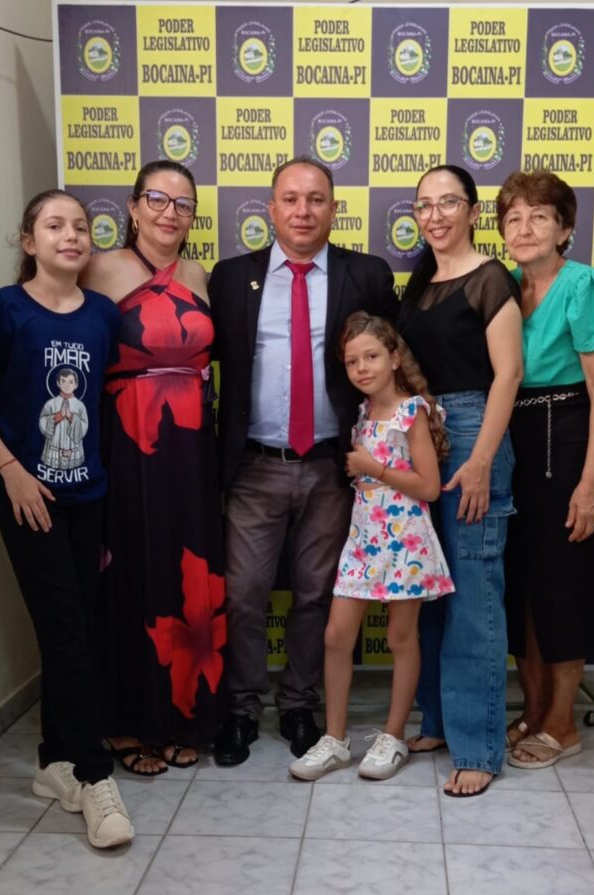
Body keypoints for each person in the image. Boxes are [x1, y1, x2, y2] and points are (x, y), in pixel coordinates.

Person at [0, 189, 134, 848]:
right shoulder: (6, 309)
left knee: (76, 627)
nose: (71, 235)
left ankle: (54, 760)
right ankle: (93, 775)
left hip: (88, 494)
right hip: (27, 498)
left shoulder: (103, 315)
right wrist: (10, 470)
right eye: (55, 226)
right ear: (29, 242)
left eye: (81, 226)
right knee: (65, 631)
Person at [209, 156, 400, 766]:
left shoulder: (365, 274)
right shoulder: (230, 277)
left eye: (316, 199)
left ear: (333, 209)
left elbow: (394, 363)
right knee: (243, 593)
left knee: (316, 593)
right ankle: (242, 708)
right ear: (271, 209)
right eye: (290, 199)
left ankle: (298, 704)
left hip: (332, 467)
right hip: (254, 465)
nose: (302, 211)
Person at [81, 159, 227, 775]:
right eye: (158, 200)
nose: (171, 212)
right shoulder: (99, 268)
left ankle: (179, 717)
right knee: (129, 571)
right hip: (126, 441)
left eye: (183, 204)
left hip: (191, 449)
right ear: (134, 207)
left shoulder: (201, 275)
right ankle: (126, 725)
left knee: (187, 575)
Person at [397, 164, 524, 797]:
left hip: (475, 433)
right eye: (424, 205)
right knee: (429, 587)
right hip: (424, 433)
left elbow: (509, 374)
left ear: (474, 211)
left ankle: (478, 746)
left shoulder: (491, 278)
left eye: (449, 203)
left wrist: (480, 460)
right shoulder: (419, 283)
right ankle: (440, 722)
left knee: (472, 592)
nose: (435, 215)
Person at [289, 313, 453, 781]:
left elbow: (429, 487)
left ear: (395, 358)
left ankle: (393, 735)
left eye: (372, 356)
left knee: (401, 638)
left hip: (405, 539)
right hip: (363, 539)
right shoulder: (361, 413)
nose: (362, 368)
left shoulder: (411, 412)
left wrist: (372, 468)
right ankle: (335, 739)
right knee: (336, 635)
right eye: (352, 361)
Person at [496, 170, 594, 769]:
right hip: (513, 439)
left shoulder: (583, 283)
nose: (524, 228)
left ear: (564, 229)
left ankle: (563, 724)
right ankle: (535, 708)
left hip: (563, 437)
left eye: (539, 217)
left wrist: (590, 483)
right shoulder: (504, 287)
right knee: (521, 583)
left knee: (562, 583)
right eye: (513, 218)